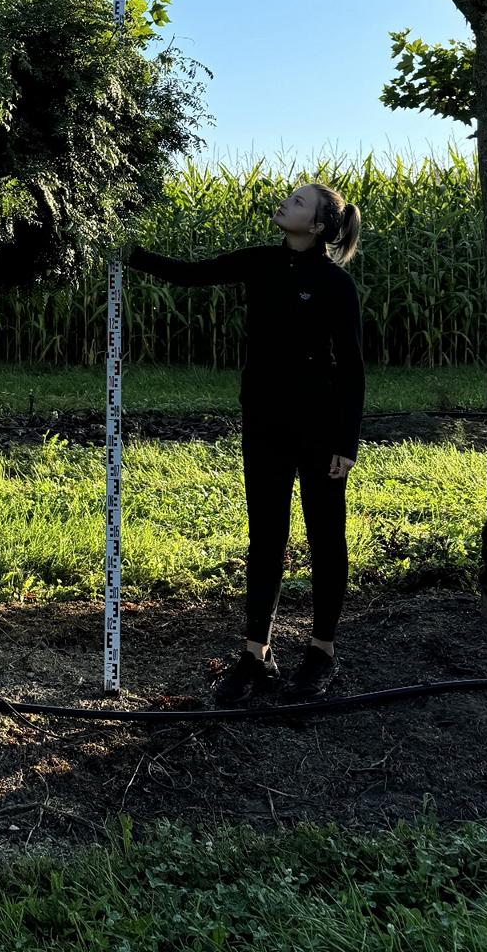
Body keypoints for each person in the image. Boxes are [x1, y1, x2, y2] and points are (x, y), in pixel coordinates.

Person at [125, 183, 364, 705]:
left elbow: (351, 368)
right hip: (264, 427)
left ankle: (321, 651)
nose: (285, 202)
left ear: (319, 226)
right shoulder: (260, 262)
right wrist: (131, 253)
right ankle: (256, 654)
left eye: (299, 202)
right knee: (266, 539)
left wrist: (346, 441)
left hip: (322, 433)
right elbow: (193, 274)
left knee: (326, 538)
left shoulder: (335, 284)